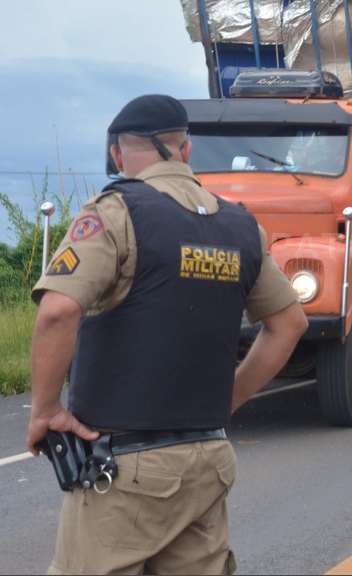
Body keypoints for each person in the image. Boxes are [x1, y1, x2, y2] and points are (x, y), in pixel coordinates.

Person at [26, 94, 308, 575]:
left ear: (117, 154)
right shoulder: (241, 227)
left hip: (125, 468)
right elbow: (290, 323)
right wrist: (229, 398)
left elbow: (57, 312)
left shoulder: (115, 213)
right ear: (186, 151)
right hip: (208, 460)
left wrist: (45, 411)